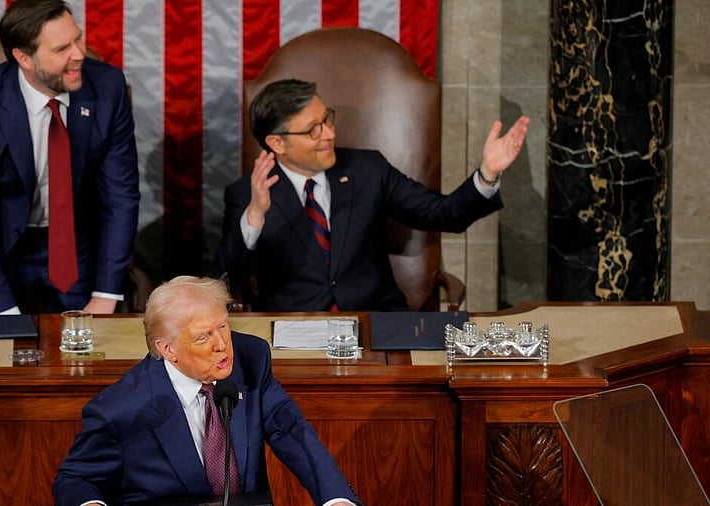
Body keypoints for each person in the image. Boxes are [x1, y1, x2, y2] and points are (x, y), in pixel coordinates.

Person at [217, 78, 529, 312]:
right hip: (294, 331)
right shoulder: (246, 194)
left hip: (377, 322)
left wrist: (488, 173)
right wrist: (256, 214)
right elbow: (230, 276)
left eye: (327, 119)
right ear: (277, 143)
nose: (330, 133)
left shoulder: (368, 169)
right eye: (314, 129)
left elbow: (443, 213)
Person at [53, 276, 360, 506]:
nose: (222, 345)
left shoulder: (251, 359)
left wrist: (337, 499)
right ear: (168, 349)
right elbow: (76, 479)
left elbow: (291, 431)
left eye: (223, 327)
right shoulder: (120, 407)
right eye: (203, 338)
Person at [0, 0, 139, 315]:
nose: (79, 55)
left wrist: (105, 294)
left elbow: (121, 196)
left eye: (78, 39)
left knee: (90, 353)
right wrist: (3, 313)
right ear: (24, 58)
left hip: (75, 245)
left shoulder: (107, 89)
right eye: (62, 49)